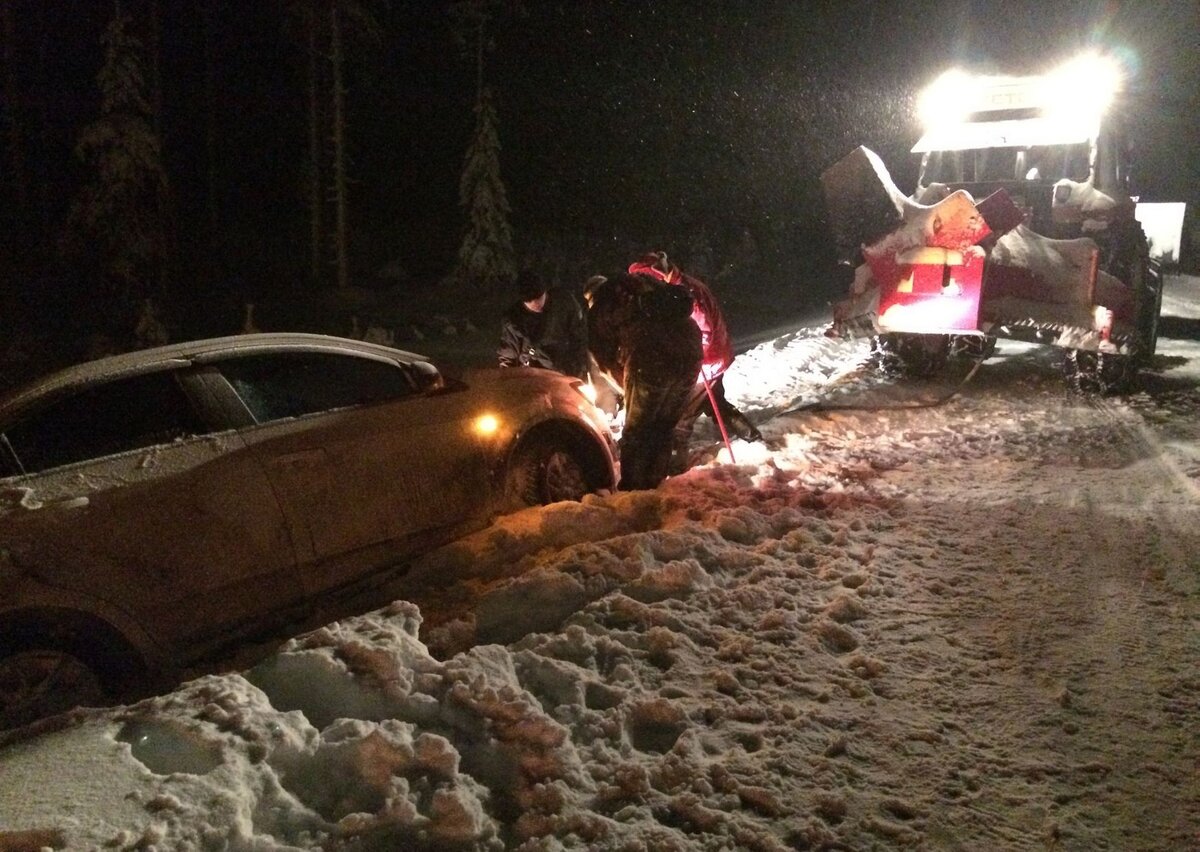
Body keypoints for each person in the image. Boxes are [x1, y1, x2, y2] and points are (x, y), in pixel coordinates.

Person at [626, 251, 762, 472]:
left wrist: (696, 356)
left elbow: (704, 328)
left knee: (682, 416)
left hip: (707, 361)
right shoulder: (683, 285)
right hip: (716, 355)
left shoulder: (683, 294)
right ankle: (750, 434)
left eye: (646, 277)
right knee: (714, 402)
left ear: (657, 274)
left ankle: (676, 466)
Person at [586, 272, 702, 491]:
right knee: (664, 425)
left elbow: (604, 363)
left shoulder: (600, 310)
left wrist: (627, 387)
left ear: (591, 297)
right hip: (691, 354)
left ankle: (634, 489)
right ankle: (657, 481)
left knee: (637, 430)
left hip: (650, 361)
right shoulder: (643, 282)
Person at [498, 271, 589, 379]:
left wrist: (580, 366)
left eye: (540, 298)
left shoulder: (564, 302)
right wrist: (508, 380)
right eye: (532, 302)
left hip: (567, 373)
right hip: (535, 377)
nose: (538, 304)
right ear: (523, 301)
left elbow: (580, 336)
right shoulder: (514, 320)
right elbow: (508, 356)